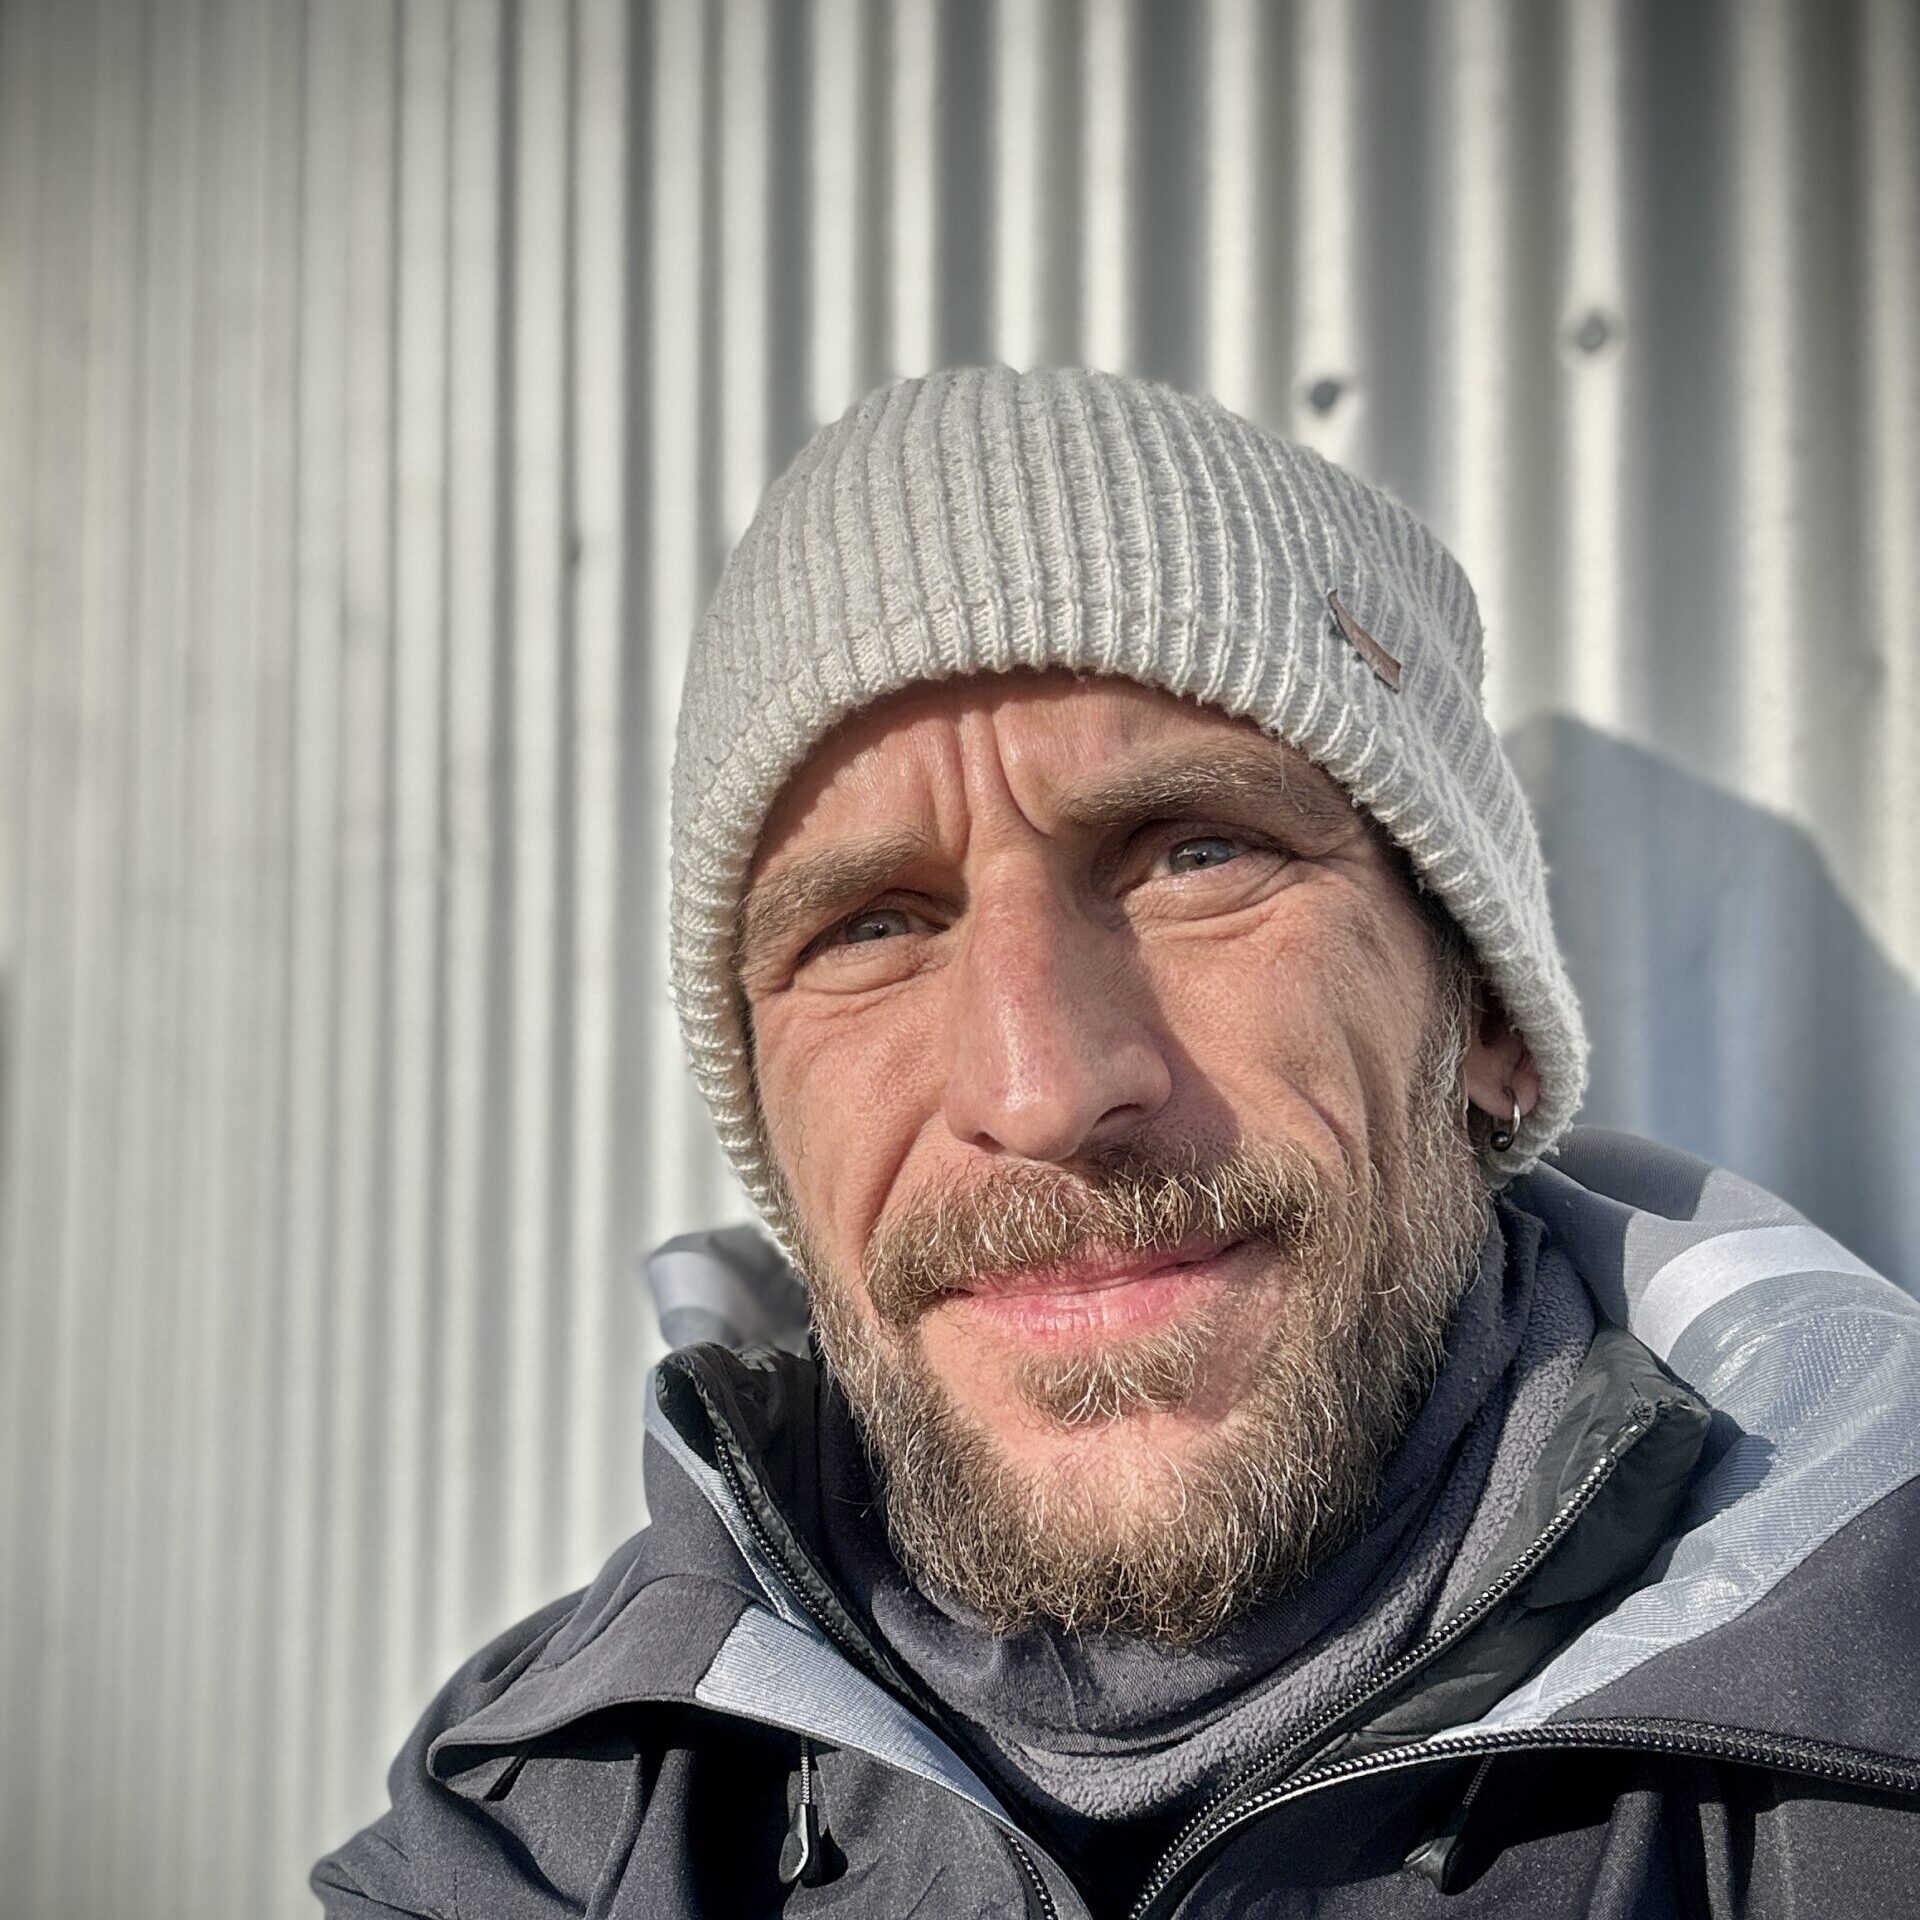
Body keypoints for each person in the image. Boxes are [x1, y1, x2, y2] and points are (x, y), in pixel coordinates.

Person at [314, 368, 1920, 1918]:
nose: (1039, 1089)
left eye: (1196, 853)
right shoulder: (543, 1824)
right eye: (872, 925)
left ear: (1488, 1014)